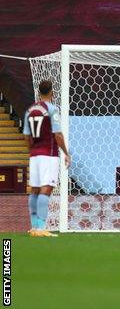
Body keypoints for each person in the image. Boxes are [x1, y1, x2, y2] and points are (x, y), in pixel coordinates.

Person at [23, 80, 71, 237]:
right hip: (48, 155)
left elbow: (26, 135)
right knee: (47, 188)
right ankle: (41, 228)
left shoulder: (29, 110)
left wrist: (32, 150)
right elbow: (57, 134)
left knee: (34, 190)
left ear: (39, 92)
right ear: (52, 92)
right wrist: (66, 153)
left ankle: (34, 227)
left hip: (35, 154)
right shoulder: (52, 109)